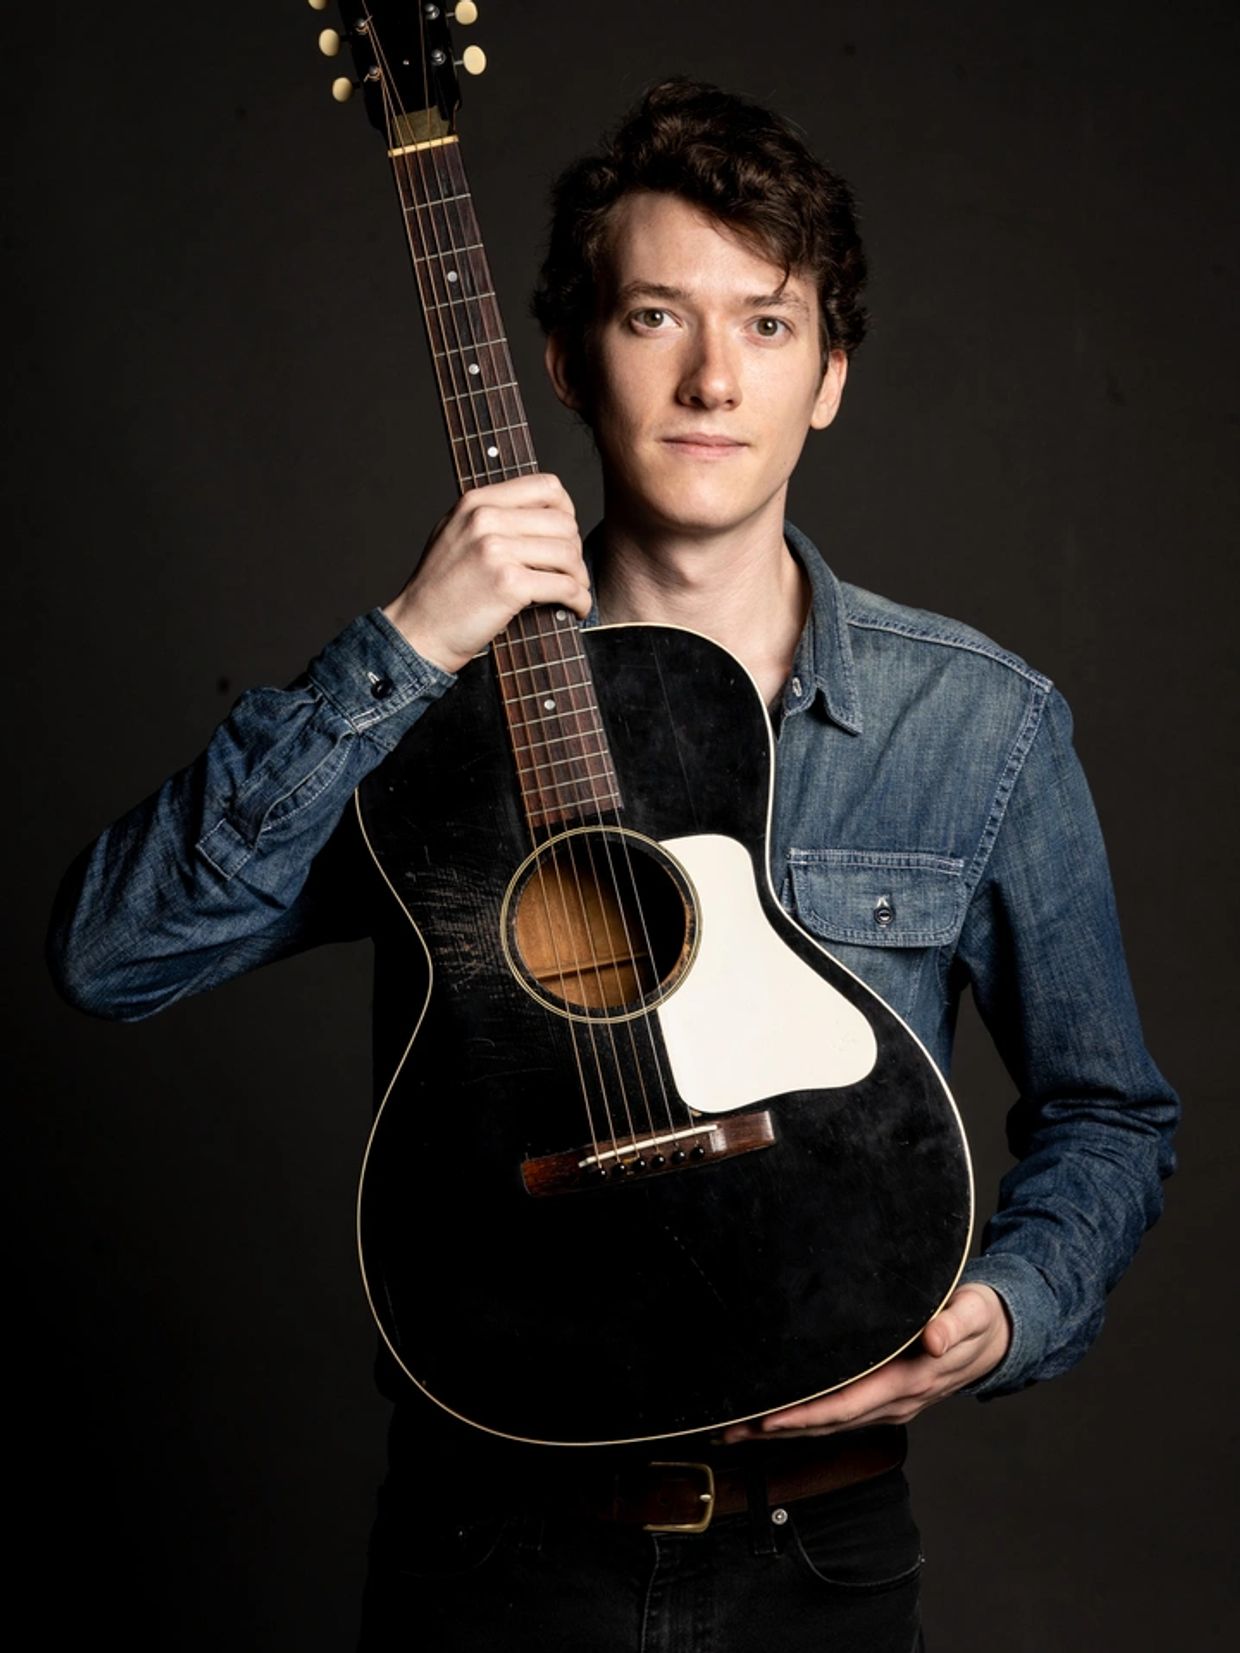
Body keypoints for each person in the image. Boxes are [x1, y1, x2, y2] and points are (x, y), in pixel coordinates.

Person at [48, 80, 1177, 1652]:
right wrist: (400, 645)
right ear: (571, 359)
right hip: (489, 1548)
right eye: (656, 315)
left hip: (825, 1555)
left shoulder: (978, 722)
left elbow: (1112, 1110)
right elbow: (112, 953)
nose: (714, 377)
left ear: (832, 376)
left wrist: (1003, 1317)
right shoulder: (421, 725)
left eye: (768, 326)